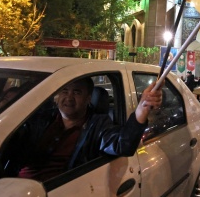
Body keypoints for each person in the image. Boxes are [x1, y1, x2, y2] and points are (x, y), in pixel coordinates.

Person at [14, 77, 162, 181]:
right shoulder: (41, 119)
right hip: (16, 187)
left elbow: (122, 144)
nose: (69, 97)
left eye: (77, 92)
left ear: (89, 98)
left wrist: (142, 109)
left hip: (59, 194)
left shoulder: (97, 125)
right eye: (65, 91)